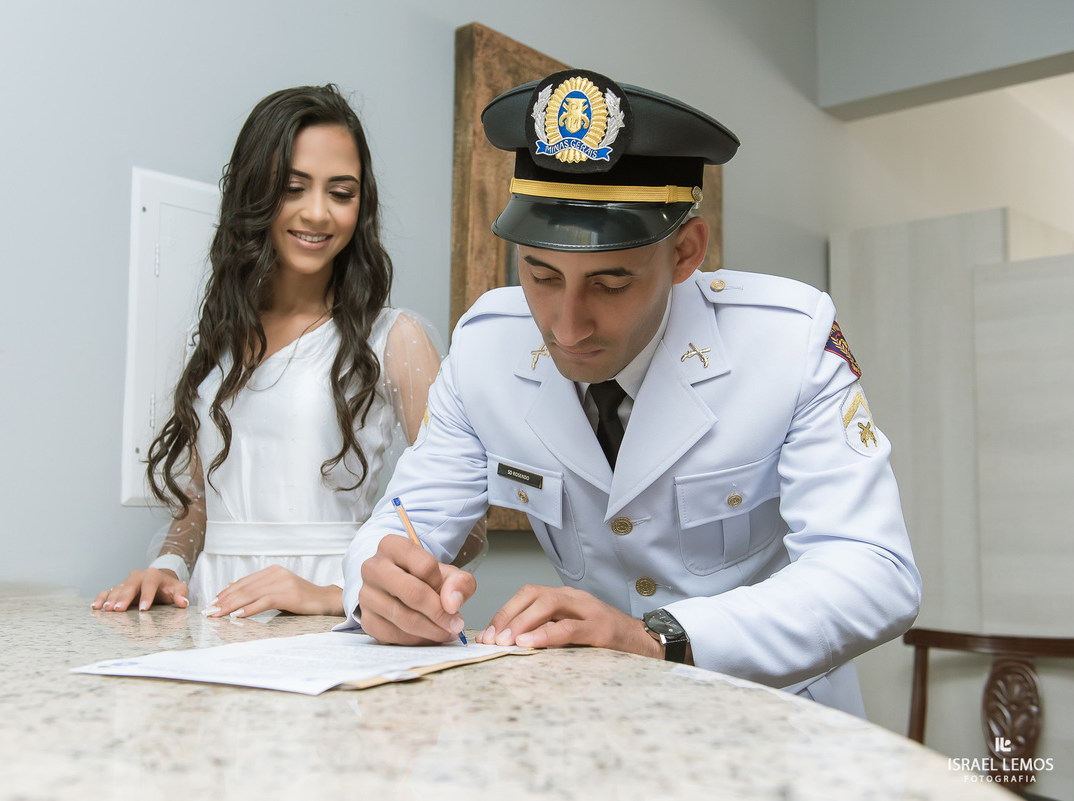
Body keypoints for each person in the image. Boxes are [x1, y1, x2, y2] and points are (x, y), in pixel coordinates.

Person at [340, 69, 921, 716]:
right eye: (539, 274)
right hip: (607, 724)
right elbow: (402, 520)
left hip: (778, 719)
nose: (566, 325)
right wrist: (382, 585)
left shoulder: (786, 345)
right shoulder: (485, 349)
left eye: (611, 283)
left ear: (686, 252)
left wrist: (659, 637)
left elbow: (875, 573)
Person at [94, 85, 470, 619]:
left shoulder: (393, 339)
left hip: (334, 622)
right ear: (254, 193)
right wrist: (167, 569)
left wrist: (332, 595)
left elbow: (463, 525)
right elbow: (201, 509)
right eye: (294, 188)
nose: (318, 213)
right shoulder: (209, 344)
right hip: (213, 619)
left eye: (341, 193)